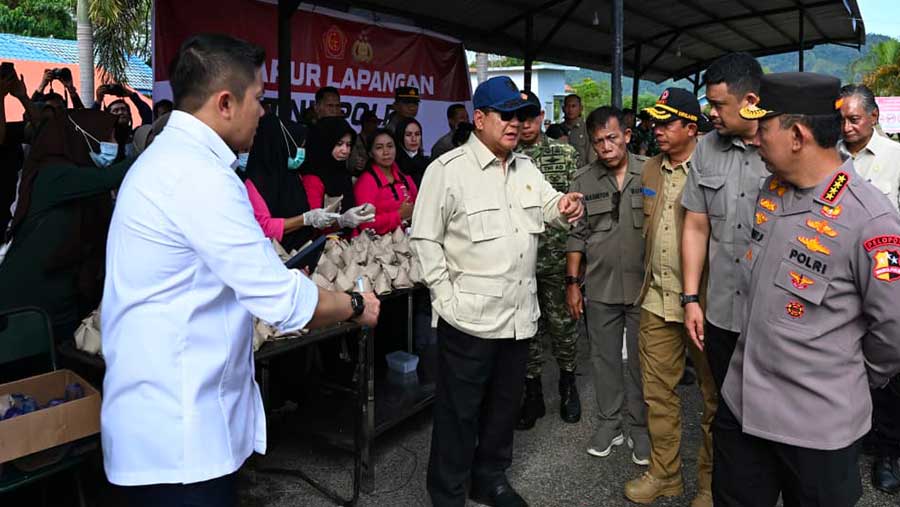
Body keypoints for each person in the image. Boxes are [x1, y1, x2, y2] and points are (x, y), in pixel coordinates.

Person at [100, 34, 380, 506]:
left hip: (169, 425)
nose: (264, 112)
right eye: (259, 100)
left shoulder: (171, 163)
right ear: (225, 102)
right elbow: (280, 300)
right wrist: (355, 305)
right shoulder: (199, 177)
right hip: (178, 439)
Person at [713, 71, 900, 506]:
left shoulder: (869, 218)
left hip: (817, 426)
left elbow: (893, 329)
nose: (755, 139)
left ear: (796, 135)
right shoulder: (771, 191)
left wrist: (846, 375)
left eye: (762, 128)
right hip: (743, 408)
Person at [411, 75, 584, 507]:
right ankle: (448, 492)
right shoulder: (447, 171)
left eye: (521, 115)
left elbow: (548, 208)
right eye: (506, 115)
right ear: (480, 118)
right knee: (458, 412)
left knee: (502, 409)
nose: (515, 123)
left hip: (517, 317)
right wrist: (444, 299)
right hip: (467, 319)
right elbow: (424, 239)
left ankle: (490, 478)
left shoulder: (525, 167)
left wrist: (565, 208)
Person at [623, 88, 716, 507]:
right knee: (657, 394)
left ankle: (711, 484)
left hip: (707, 306)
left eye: (666, 123)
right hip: (657, 301)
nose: (656, 130)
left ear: (691, 128)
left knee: (715, 400)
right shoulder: (650, 171)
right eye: (655, 122)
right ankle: (666, 474)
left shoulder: (715, 168)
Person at [0, 110, 130, 342]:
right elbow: (109, 177)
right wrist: (159, 148)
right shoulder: (54, 174)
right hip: (26, 301)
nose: (114, 144)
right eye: (108, 137)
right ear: (85, 136)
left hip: (61, 298)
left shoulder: (80, 175)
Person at [566, 105, 649, 464]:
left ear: (627, 136)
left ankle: (640, 427)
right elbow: (575, 235)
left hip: (646, 287)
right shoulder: (583, 180)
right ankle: (609, 424)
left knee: (643, 362)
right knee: (604, 359)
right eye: (599, 141)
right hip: (599, 287)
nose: (606, 147)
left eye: (613, 138)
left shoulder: (651, 173)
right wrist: (572, 283)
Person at [681, 52, 766, 394]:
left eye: (719, 105)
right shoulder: (706, 149)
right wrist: (690, 299)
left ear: (750, 101)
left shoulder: (786, 146)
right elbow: (696, 226)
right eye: (709, 104)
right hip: (720, 310)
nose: (710, 113)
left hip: (769, 315)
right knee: (724, 405)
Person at [837, 83, 900, 493]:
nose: (846, 126)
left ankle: (889, 451)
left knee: (890, 366)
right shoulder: (832, 158)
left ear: (874, 118)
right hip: (841, 280)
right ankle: (854, 434)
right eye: (841, 119)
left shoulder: (896, 157)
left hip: (885, 275)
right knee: (847, 360)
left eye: (854, 119)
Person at [515, 91, 582, 430]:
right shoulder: (507, 158)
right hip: (519, 264)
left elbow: (576, 211)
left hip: (557, 260)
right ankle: (533, 394)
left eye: (531, 116)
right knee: (527, 331)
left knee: (563, 328)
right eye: (519, 116)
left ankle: (568, 386)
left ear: (541, 116)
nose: (525, 123)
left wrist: (576, 264)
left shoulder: (565, 154)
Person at [240, 113, 373, 250]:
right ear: (282, 148)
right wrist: (305, 219)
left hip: (303, 252)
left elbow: (315, 224)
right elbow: (263, 227)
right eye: (299, 147)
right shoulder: (255, 183)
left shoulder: (293, 176)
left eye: (349, 145)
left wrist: (343, 220)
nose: (302, 152)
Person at [353, 128, 417, 235]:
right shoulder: (366, 182)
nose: (386, 152)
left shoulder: (405, 177)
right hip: (375, 247)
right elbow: (365, 224)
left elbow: (419, 208)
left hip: (406, 241)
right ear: (370, 153)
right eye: (379, 148)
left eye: (390, 146)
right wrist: (399, 215)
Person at [300, 116, 357, 216]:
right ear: (324, 143)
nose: (345, 150)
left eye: (348, 145)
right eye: (339, 144)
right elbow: (312, 222)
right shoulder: (312, 179)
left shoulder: (343, 174)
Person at [563, 94, 596, 167]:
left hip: (581, 173)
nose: (570, 109)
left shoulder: (587, 129)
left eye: (573, 106)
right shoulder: (557, 129)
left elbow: (592, 158)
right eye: (567, 106)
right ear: (563, 109)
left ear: (581, 108)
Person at [395, 117, 429, 188]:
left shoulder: (427, 163)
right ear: (400, 136)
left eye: (417, 134)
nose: (414, 139)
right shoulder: (394, 163)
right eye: (408, 135)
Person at [349, 110, 379, 175]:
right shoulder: (355, 140)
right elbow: (352, 164)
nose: (376, 125)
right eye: (374, 122)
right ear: (365, 123)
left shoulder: (377, 140)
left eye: (377, 122)